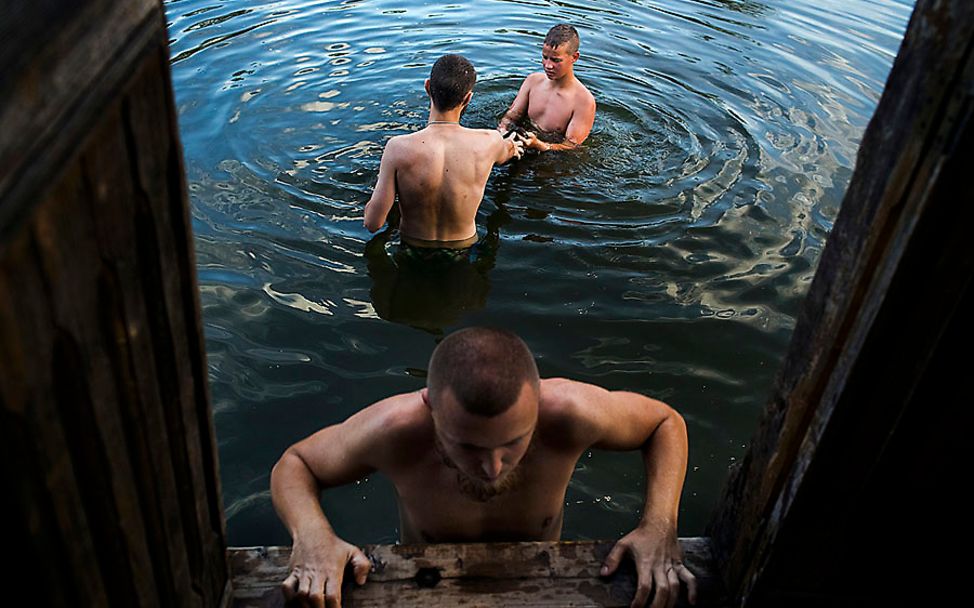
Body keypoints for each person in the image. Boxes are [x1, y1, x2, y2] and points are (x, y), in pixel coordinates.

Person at [272, 327, 698, 608]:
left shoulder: (568, 412)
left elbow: (665, 423)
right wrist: (313, 537)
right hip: (425, 590)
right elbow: (296, 464)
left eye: (514, 442)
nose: (493, 467)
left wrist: (659, 527)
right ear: (430, 409)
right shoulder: (394, 430)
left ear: (538, 403)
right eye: (468, 446)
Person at [363, 54, 524, 250]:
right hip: (463, 248)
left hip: (413, 248)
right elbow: (510, 151)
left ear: (427, 87)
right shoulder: (489, 142)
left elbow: (373, 224)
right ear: (468, 98)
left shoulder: (397, 148)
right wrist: (515, 147)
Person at [497, 24, 597, 153]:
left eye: (556, 60)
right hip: (521, 144)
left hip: (551, 159)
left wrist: (539, 145)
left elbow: (571, 147)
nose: (548, 65)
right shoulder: (533, 81)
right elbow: (511, 117)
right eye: (545, 57)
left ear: (574, 57)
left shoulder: (584, 101)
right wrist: (502, 131)